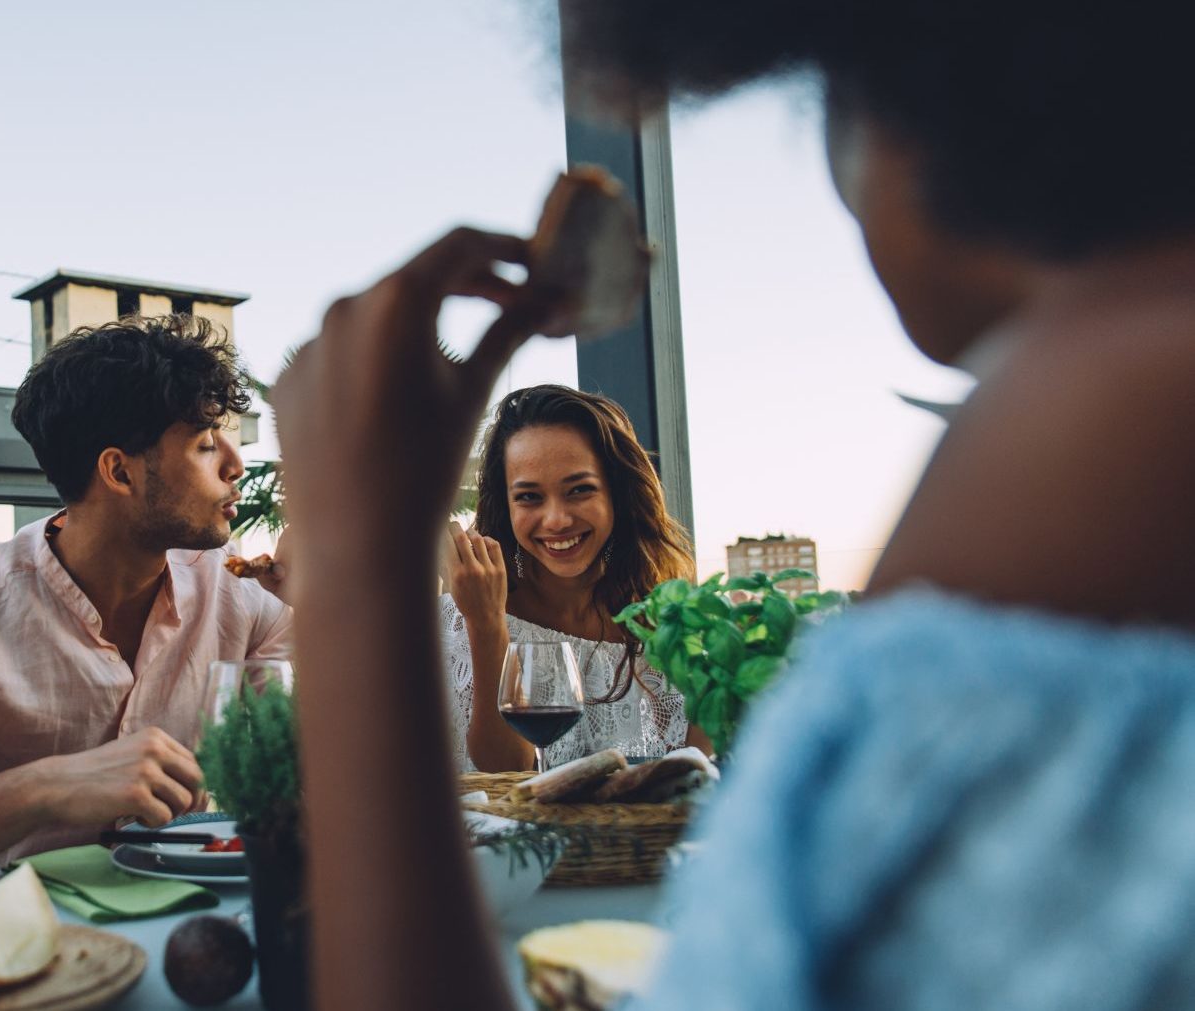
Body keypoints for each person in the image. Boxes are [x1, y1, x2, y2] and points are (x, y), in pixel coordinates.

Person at [269, 0, 1195, 1007]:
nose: (552, 518)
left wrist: (353, 566)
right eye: (527, 495)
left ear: (890, 123)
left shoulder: (1078, 440)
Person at [0, 315, 292, 887]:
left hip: (204, 924)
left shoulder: (246, 595)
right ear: (118, 471)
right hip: (9, 947)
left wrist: (330, 609)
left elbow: (318, 780)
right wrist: (46, 789)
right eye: (207, 445)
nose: (236, 466)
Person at [443, 385, 705, 771]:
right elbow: (507, 772)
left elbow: (698, 775)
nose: (556, 520)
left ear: (617, 494)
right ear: (507, 504)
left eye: (579, 490)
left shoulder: (668, 633)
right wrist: (486, 623)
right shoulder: (450, 626)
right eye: (529, 497)